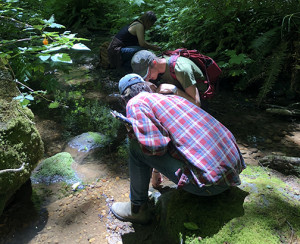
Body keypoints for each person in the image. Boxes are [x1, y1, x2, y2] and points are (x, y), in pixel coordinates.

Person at [111, 73, 246, 224]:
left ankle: (136, 209)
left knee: (135, 147)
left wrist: (134, 133)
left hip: (211, 186)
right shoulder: (171, 97)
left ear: (124, 98)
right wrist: (156, 171)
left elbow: (156, 147)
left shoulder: (135, 103)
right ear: (146, 86)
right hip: (233, 170)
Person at [131, 50, 207, 108]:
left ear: (154, 63)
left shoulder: (181, 70)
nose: (147, 79)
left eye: (147, 74)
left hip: (200, 98)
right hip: (182, 91)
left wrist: (174, 89)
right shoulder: (159, 66)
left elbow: (196, 104)